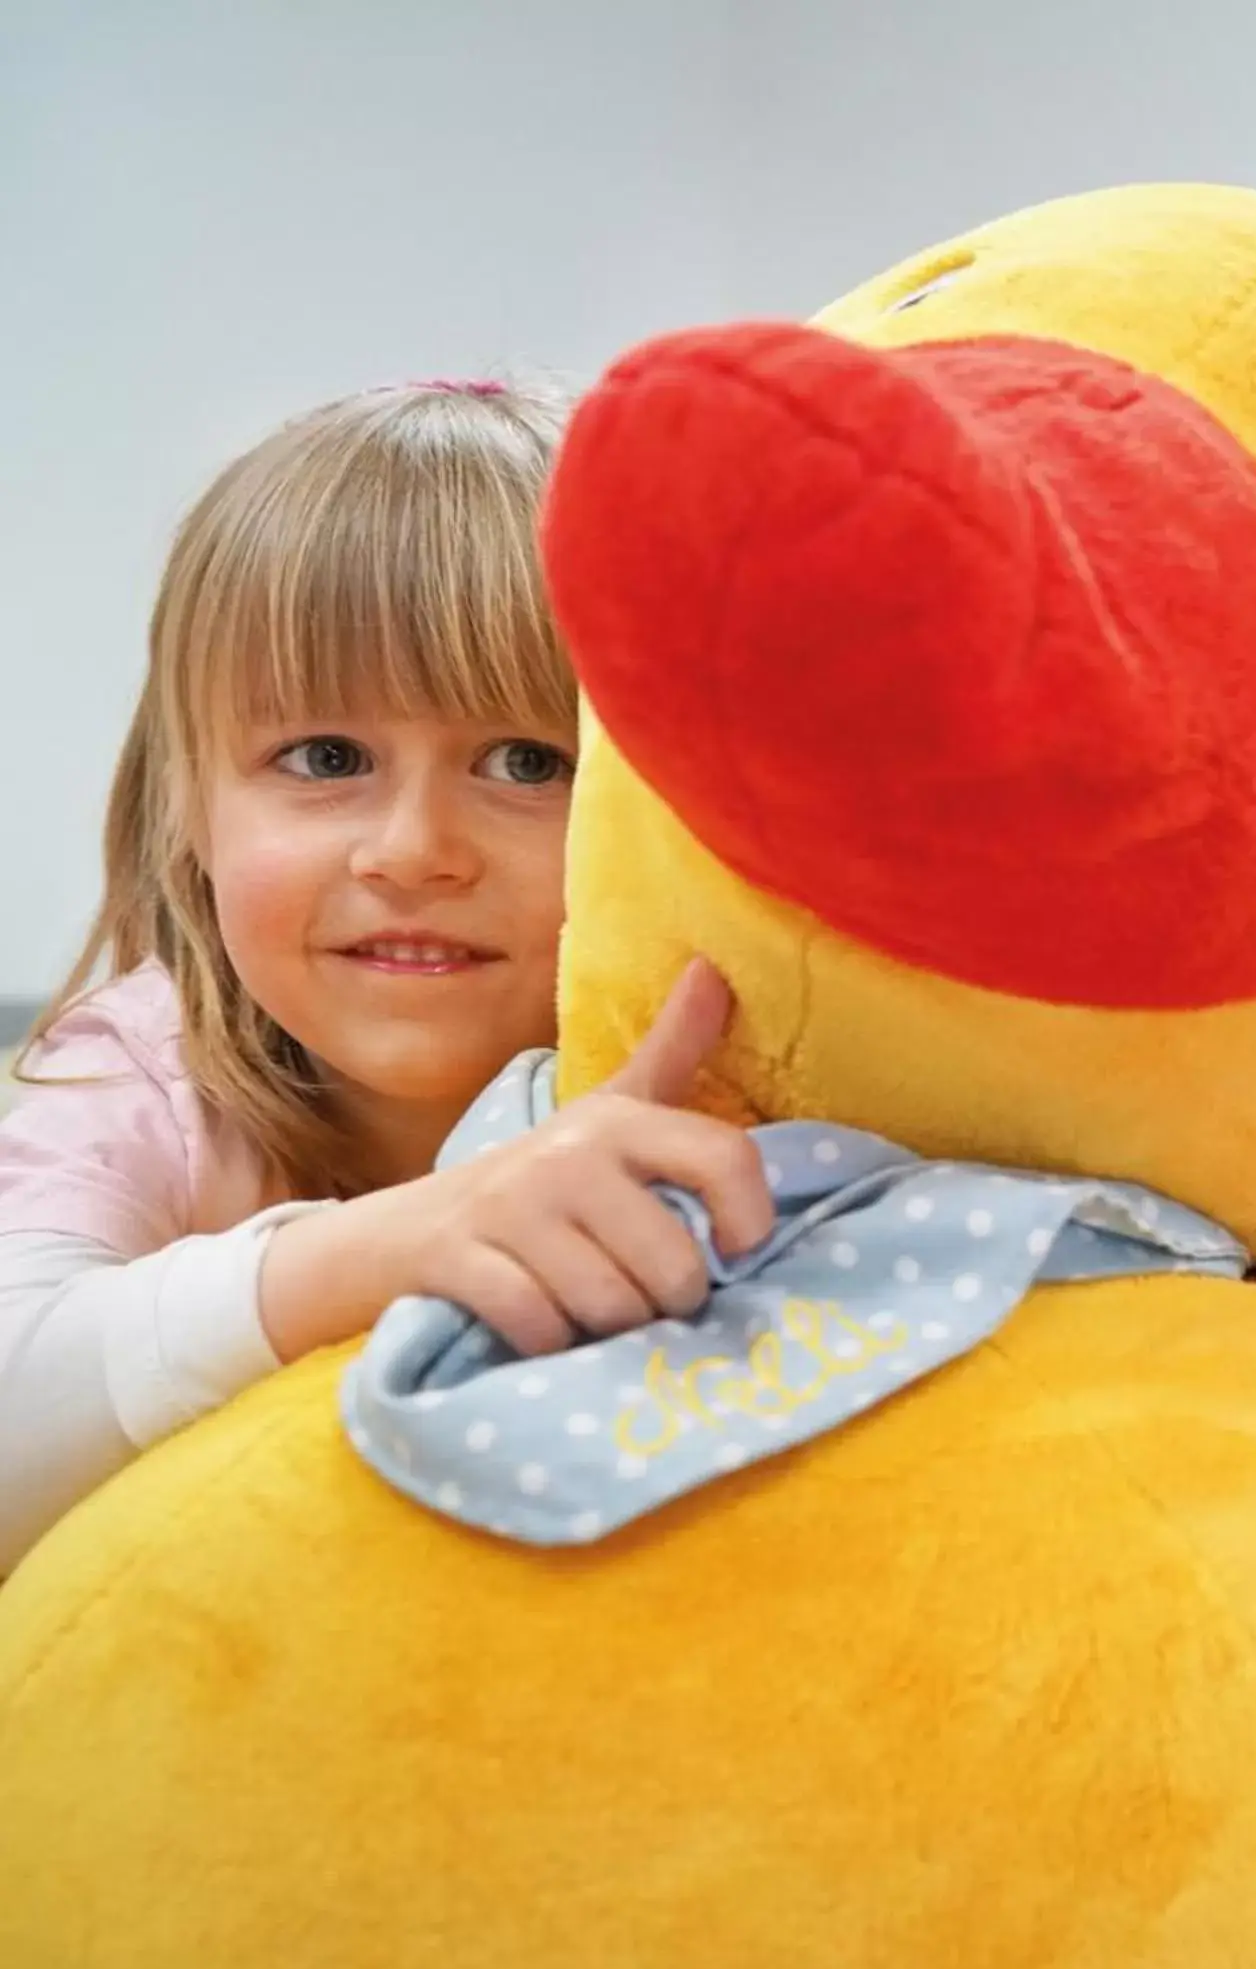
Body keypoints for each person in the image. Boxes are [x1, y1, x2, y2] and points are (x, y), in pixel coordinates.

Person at [0, 379, 768, 1570]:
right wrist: (388, 1248)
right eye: (324, 756)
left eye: (527, 760)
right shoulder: (149, 1070)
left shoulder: (736, 1061)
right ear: (189, 809)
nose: (413, 849)